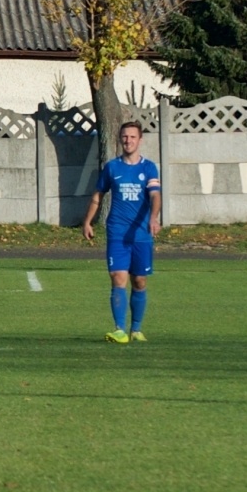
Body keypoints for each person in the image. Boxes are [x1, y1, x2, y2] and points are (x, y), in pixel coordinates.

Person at [82, 121, 162, 343]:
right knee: (118, 277)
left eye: (132, 137)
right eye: (124, 137)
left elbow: (155, 195)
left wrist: (153, 218)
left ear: (140, 140)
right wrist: (87, 221)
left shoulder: (149, 168)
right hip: (117, 232)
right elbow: (98, 196)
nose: (128, 141)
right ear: (120, 139)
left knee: (139, 281)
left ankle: (136, 329)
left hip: (141, 234)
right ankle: (119, 329)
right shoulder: (112, 168)